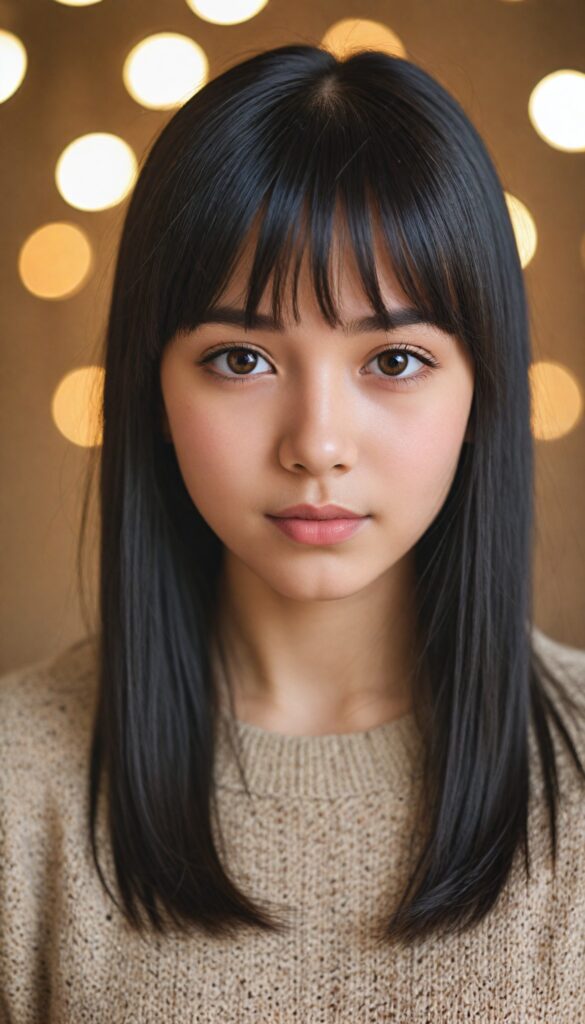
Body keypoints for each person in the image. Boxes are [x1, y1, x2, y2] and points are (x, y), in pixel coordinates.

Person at [1, 43, 585, 1023]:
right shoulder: (20, 792)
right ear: (154, 386)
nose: (317, 443)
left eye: (393, 359)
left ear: (482, 386)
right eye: (240, 358)